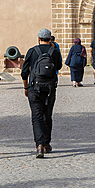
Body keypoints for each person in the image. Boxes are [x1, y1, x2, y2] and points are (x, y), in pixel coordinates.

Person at [20, 28, 63, 158]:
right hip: (49, 88)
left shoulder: (32, 51)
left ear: (38, 38)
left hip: (34, 88)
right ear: (50, 39)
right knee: (47, 115)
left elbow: (24, 72)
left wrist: (26, 87)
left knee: (36, 116)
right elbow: (59, 66)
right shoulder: (54, 51)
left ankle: (39, 145)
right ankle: (46, 143)